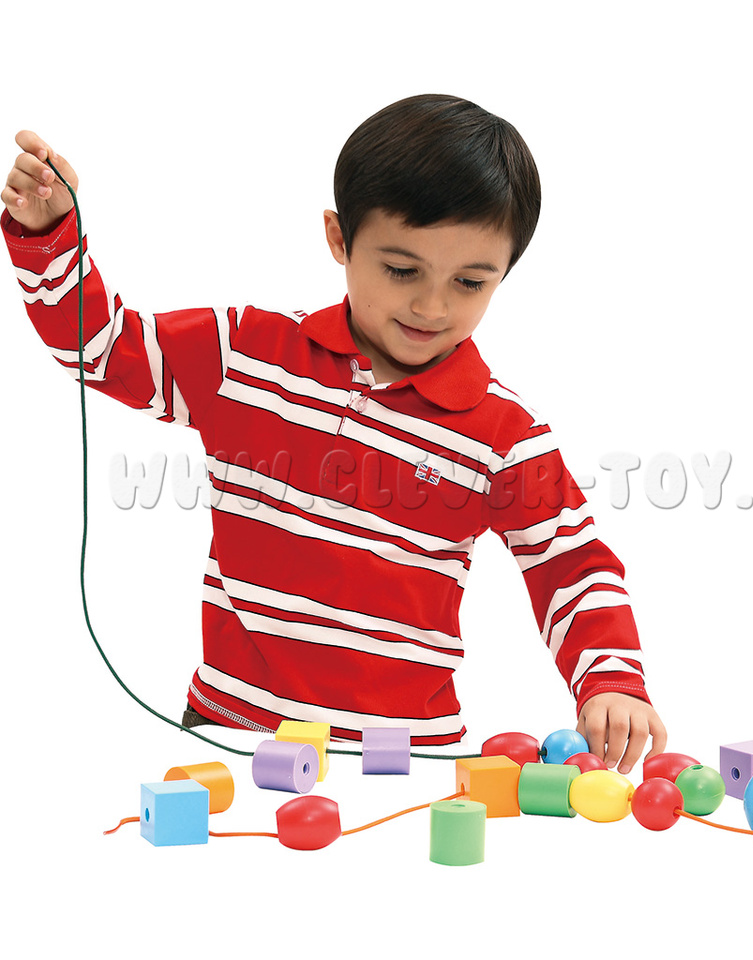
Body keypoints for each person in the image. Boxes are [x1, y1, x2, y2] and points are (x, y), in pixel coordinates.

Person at [2, 94, 666, 774]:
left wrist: (611, 681)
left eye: (470, 282)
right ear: (340, 239)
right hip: (233, 732)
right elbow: (101, 347)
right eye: (402, 270)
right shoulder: (246, 354)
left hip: (404, 759)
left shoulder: (506, 434)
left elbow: (572, 565)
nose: (431, 305)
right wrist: (50, 238)